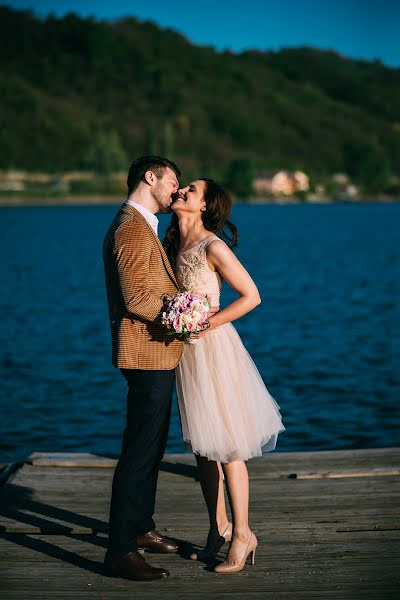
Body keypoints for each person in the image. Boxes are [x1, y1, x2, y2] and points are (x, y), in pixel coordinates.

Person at [163, 178, 285, 574]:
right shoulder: (170, 245)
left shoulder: (212, 246)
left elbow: (252, 296)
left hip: (214, 350)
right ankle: (218, 530)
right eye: (182, 187)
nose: (181, 191)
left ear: (204, 206)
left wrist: (206, 323)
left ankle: (244, 533)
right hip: (186, 355)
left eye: (191, 190)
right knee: (202, 448)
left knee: (228, 445)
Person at [102, 156, 184, 581]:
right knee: (138, 450)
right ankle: (118, 551)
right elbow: (136, 298)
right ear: (149, 178)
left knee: (152, 446)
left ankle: (141, 526)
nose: (176, 190)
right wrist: (183, 319)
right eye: (173, 182)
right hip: (143, 352)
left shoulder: (144, 222)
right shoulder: (131, 227)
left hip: (156, 351)